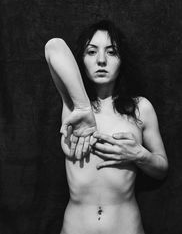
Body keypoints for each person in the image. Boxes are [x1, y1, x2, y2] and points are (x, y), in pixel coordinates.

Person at [44, 20, 168, 234]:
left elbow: (161, 170)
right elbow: (53, 46)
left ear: (122, 60)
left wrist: (139, 155)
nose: (101, 60)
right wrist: (83, 107)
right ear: (80, 60)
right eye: (91, 52)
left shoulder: (140, 107)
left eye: (111, 52)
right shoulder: (73, 106)